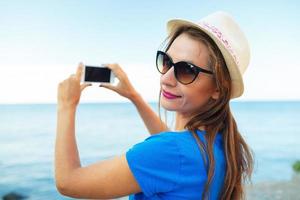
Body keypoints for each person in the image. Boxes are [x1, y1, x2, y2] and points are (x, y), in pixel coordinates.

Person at [55, 11, 254, 200]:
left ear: (218, 87)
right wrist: (134, 96)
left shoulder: (169, 152)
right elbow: (173, 144)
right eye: (166, 61)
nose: (166, 79)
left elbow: (68, 181)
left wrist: (66, 105)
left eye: (186, 70)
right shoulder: (219, 143)